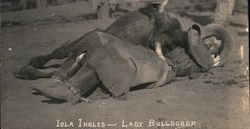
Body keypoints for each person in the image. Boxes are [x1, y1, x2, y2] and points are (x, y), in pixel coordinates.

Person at [18, 23, 233, 105]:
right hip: (152, 55)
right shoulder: (184, 43)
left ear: (215, 52)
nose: (211, 42)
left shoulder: (205, 59)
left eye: (215, 44)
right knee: (99, 39)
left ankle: (72, 91)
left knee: (118, 61)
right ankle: (61, 79)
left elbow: (194, 39)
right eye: (211, 38)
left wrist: (196, 30)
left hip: (163, 69)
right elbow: (161, 36)